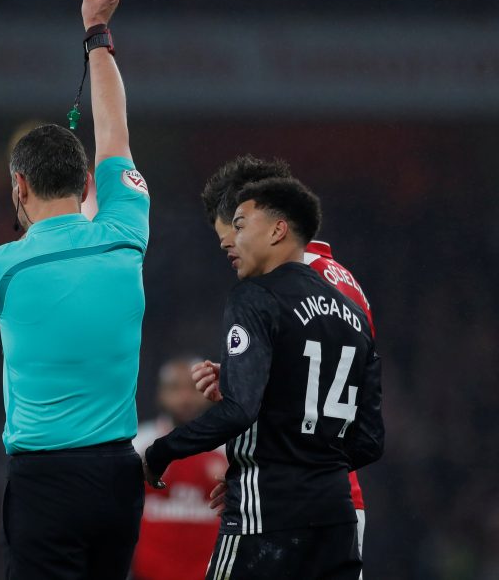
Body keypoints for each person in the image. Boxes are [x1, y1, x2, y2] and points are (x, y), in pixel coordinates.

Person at [0, 0, 149, 579]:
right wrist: (97, 31)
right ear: (88, 181)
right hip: (122, 475)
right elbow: (114, 127)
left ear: (19, 186)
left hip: (46, 482)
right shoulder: (125, 232)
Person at [143, 177, 384, 579]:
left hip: (266, 514)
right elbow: (370, 439)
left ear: (278, 229)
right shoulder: (352, 308)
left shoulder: (256, 296)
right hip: (336, 514)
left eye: (238, 225)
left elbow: (240, 410)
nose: (229, 241)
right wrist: (311, 464)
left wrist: (161, 452)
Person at [195, 155, 375, 560]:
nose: (230, 250)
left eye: (234, 234)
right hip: (326, 500)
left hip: (297, 508)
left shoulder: (294, 293)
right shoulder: (340, 284)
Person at [132, 359, 227, 580]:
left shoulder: (229, 449)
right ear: (161, 394)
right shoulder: (138, 445)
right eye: (175, 388)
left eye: (193, 388)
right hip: (147, 574)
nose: (185, 398)